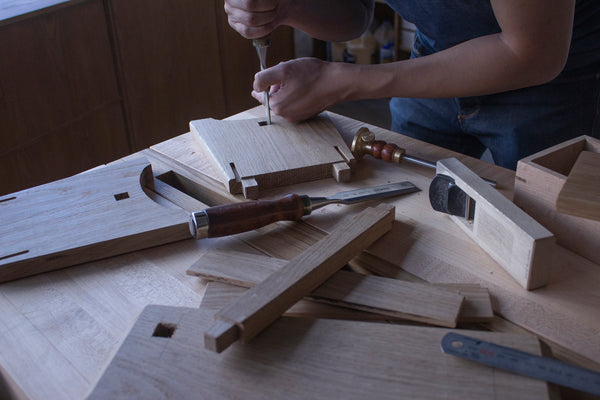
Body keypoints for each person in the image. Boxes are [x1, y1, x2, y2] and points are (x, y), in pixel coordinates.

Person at [223, 0, 600, 169]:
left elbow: (532, 54)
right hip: (434, 57)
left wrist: (346, 82)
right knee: (412, 210)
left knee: (545, 244)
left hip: (555, 83)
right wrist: (290, 7)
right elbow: (356, 12)